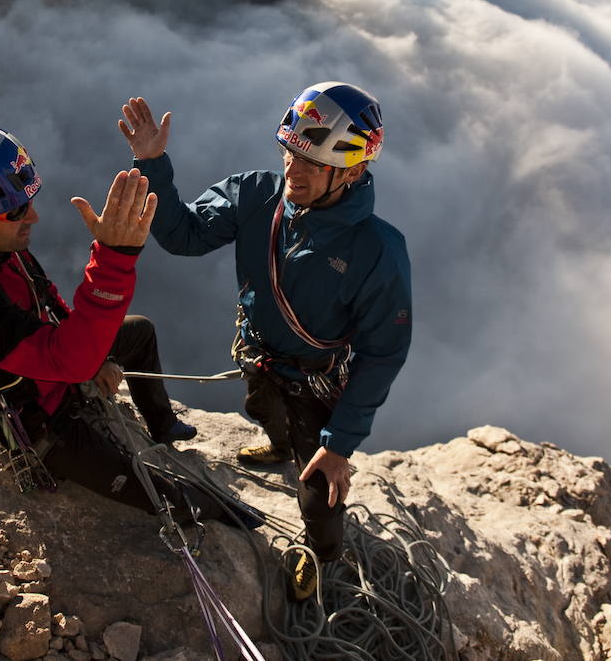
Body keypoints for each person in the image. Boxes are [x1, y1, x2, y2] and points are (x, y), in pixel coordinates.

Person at [118, 83, 412, 600]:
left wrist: (340, 444)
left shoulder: (377, 250)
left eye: (310, 163)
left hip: (317, 378)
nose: (292, 172)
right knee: (261, 405)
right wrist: (153, 164)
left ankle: (323, 558)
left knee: (319, 489)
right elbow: (184, 235)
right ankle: (279, 444)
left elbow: (383, 351)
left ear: (350, 171)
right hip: (260, 353)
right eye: (289, 154)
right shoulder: (256, 195)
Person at [0, 124, 260, 527]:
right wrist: (114, 261)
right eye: (14, 210)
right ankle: (235, 522)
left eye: (28, 201)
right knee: (164, 495)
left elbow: (48, 300)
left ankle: (162, 425)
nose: (32, 215)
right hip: (42, 422)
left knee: (140, 332)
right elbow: (67, 360)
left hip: (58, 374)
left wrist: (97, 359)